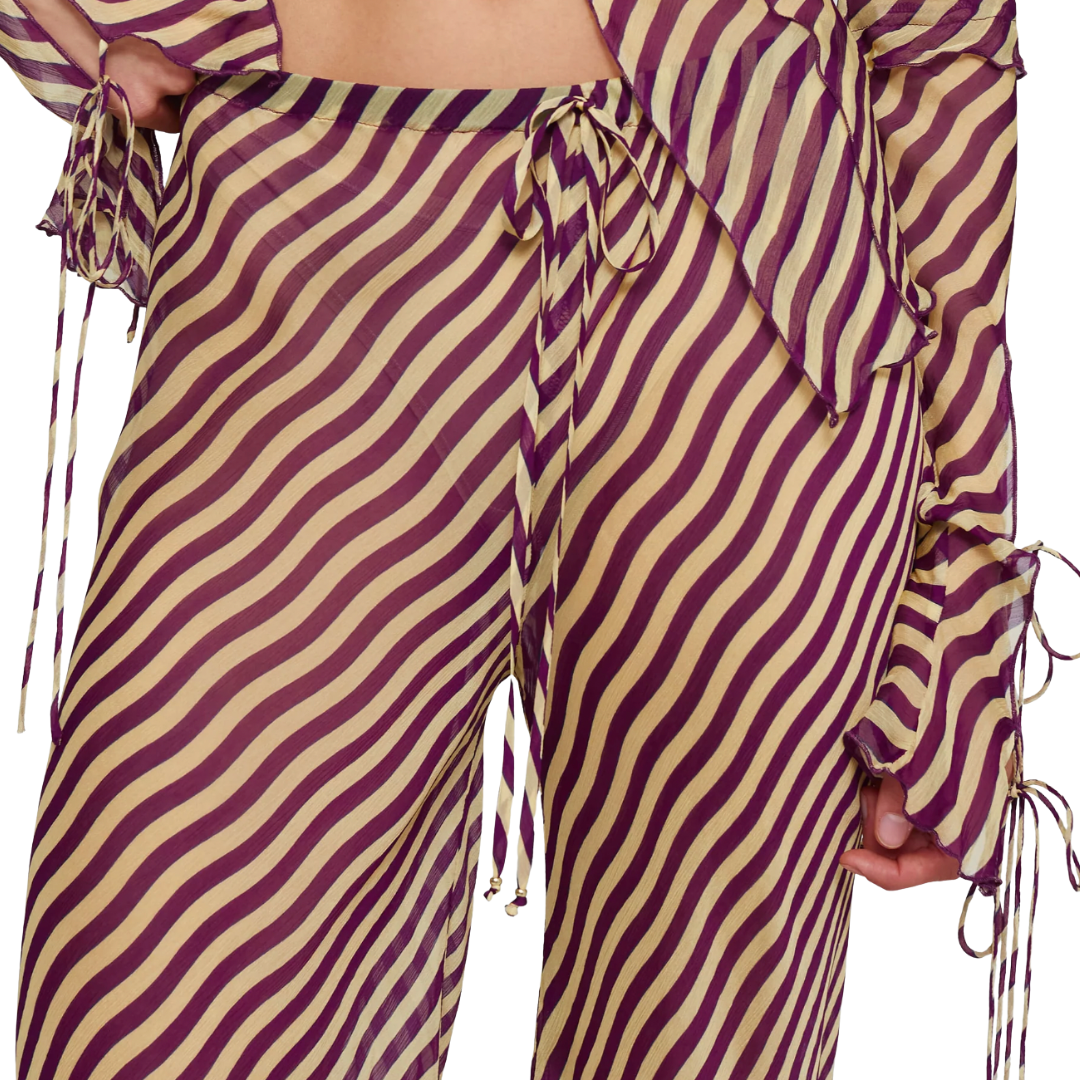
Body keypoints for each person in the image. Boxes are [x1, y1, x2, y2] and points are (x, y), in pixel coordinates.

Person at [0, 1, 1076, 1078]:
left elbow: (944, 38)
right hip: (305, 217)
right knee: (149, 982)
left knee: (700, 1038)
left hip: (748, 299)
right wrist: (89, 38)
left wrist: (962, 588)